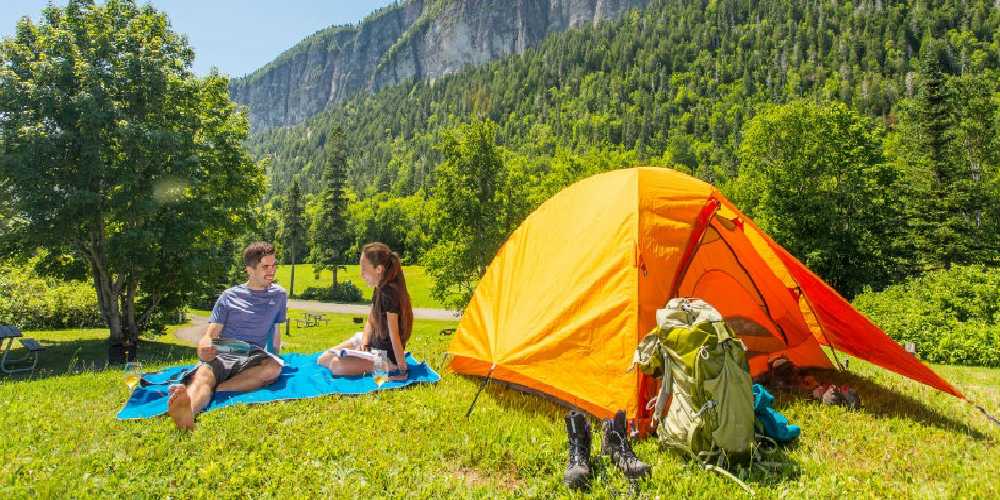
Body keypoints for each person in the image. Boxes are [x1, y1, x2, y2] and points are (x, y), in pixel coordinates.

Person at [167, 241, 288, 430]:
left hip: (253, 354)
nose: (271, 271)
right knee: (203, 376)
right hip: (224, 351)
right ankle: (187, 413)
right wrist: (204, 349)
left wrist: (277, 357)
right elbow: (210, 334)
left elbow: (275, 331)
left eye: (274, 265)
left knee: (273, 369)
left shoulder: (279, 295)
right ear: (249, 269)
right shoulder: (229, 296)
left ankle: (220, 388)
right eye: (265, 266)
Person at [318, 242, 413, 381]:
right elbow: (371, 319)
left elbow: (394, 335)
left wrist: (402, 367)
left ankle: (388, 366)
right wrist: (365, 343)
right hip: (370, 344)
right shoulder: (379, 287)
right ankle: (363, 356)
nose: (361, 274)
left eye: (363, 269)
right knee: (323, 359)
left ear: (379, 269)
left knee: (336, 366)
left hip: (383, 355)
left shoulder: (390, 294)